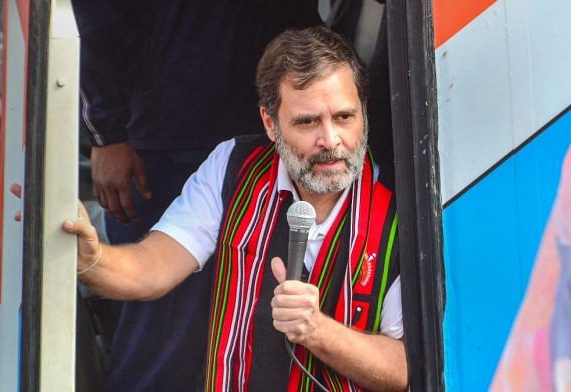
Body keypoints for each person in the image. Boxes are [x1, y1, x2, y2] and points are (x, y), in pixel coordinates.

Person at [64, 26, 407, 391]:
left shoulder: (401, 207)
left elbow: (405, 369)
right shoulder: (235, 165)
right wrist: (90, 259)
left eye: (344, 117)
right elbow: (152, 268)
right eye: (307, 122)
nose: (330, 141)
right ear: (270, 124)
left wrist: (317, 330)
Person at [70, 1, 322, 389]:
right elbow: (94, 23)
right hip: (166, 144)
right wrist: (107, 135)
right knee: (160, 335)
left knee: (251, 322)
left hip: (282, 137)